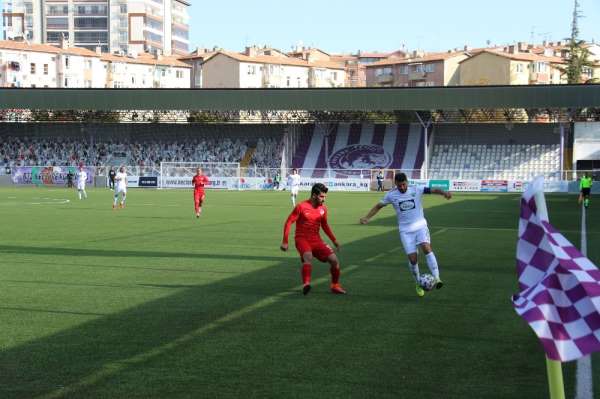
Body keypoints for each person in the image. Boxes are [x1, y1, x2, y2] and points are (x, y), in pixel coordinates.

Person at [360, 172, 452, 297]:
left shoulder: (416, 189)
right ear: (395, 184)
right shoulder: (391, 195)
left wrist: (444, 193)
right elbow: (378, 206)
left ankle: (437, 278)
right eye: (399, 186)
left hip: (420, 226)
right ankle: (417, 283)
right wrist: (367, 218)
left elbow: (433, 189)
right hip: (405, 231)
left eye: (404, 185)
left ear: (407, 182)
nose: (402, 188)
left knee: (426, 247)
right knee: (413, 259)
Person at [281, 183, 346, 295]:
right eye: (322, 196)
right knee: (308, 256)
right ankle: (306, 284)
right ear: (314, 195)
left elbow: (325, 226)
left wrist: (334, 241)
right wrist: (285, 241)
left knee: (334, 260)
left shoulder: (323, 209)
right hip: (302, 238)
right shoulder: (301, 206)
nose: (324, 199)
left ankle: (335, 285)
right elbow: (289, 222)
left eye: (325, 197)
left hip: (316, 240)